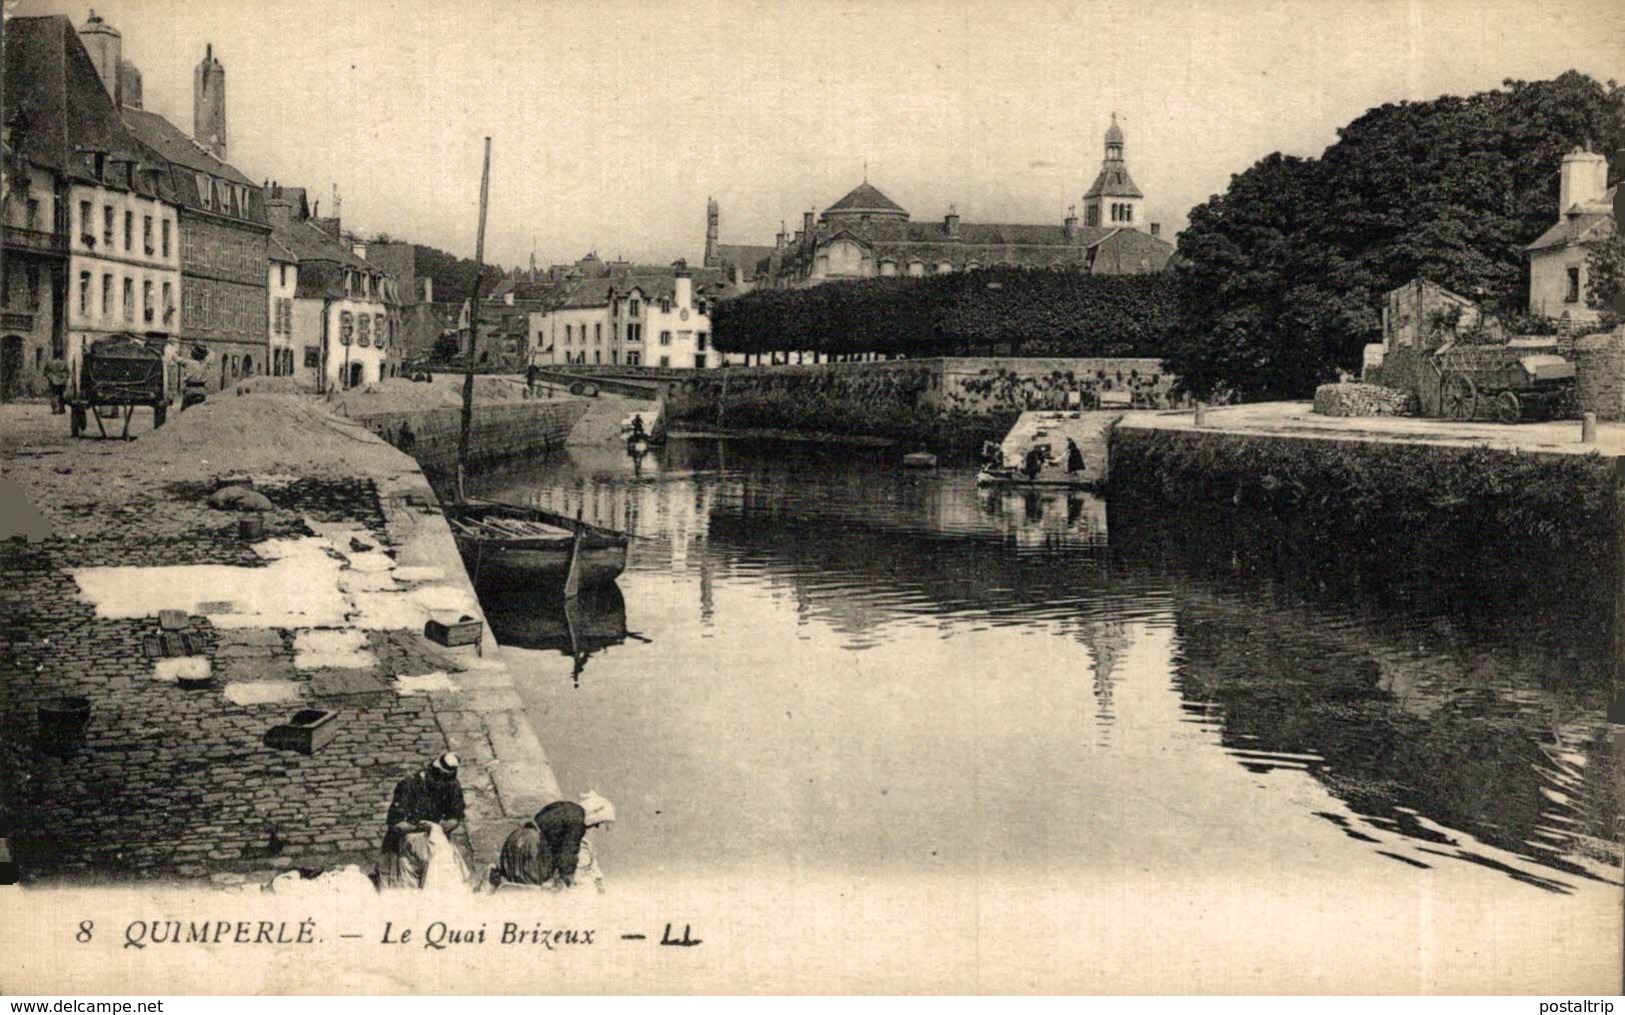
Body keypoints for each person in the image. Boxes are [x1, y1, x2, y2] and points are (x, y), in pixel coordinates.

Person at [377, 752, 468, 890]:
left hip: (436, 838)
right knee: (412, 879)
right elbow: (396, 823)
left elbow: (456, 814)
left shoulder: (452, 785)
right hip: (407, 841)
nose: (442, 785)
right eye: (439, 780)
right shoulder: (410, 784)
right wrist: (419, 827)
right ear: (432, 772)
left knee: (447, 869)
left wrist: (451, 822)